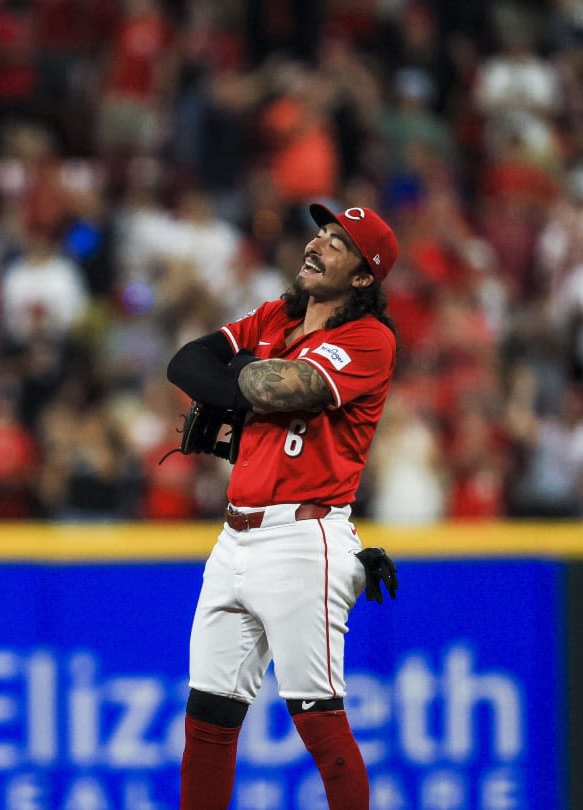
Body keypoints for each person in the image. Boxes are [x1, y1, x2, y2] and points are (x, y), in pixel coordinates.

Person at [166, 204, 402, 810]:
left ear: (361, 279)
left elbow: (281, 388)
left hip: (305, 537)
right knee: (207, 719)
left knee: (319, 722)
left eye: (339, 243)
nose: (319, 243)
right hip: (234, 536)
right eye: (321, 232)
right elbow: (187, 361)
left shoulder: (368, 339)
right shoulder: (277, 315)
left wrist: (242, 376)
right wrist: (246, 378)